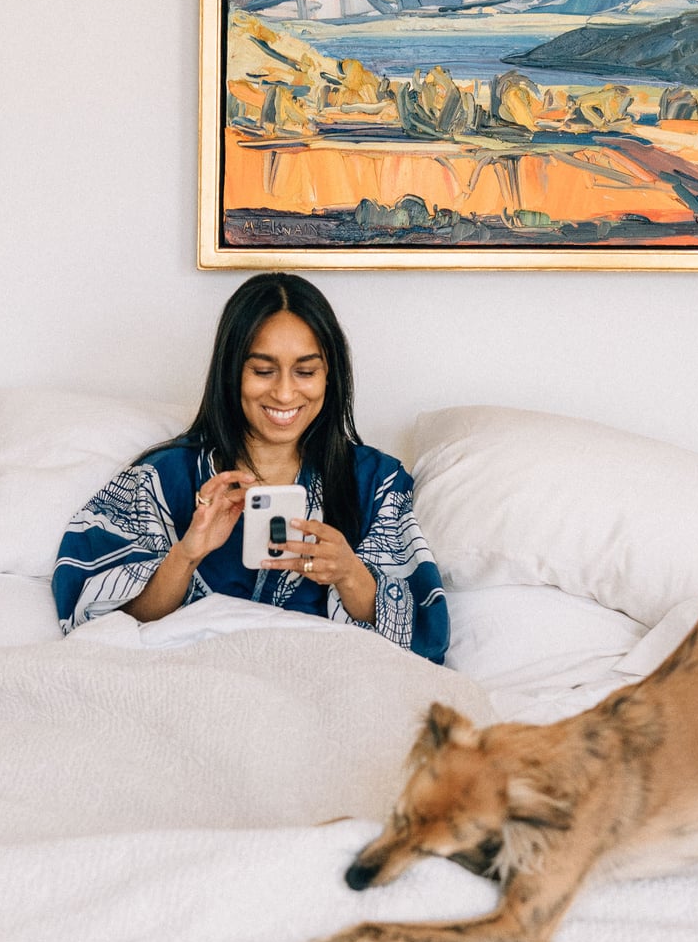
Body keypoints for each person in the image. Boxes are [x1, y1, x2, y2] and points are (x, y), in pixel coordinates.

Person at [52, 273, 450, 662]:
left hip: (323, 687)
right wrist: (186, 555)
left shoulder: (376, 484)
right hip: (195, 684)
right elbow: (94, 626)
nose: (284, 392)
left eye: (306, 372)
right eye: (263, 371)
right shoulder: (160, 480)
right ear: (232, 373)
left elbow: (425, 641)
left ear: (330, 376)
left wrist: (351, 576)